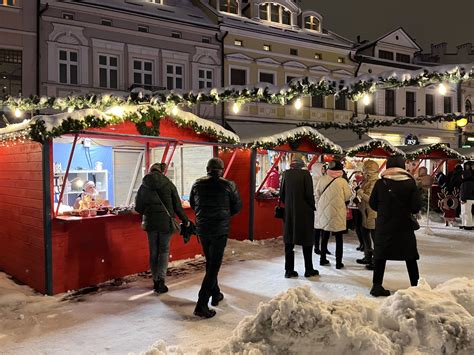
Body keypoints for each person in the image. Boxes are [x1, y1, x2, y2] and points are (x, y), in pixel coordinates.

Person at [190, 158, 242, 318]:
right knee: (214, 266)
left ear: (207, 169)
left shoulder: (197, 184)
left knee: (210, 262)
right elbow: (237, 206)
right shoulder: (228, 185)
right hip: (219, 229)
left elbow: (193, 204)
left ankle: (216, 294)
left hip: (203, 229)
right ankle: (201, 304)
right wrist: (224, 215)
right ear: (221, 169)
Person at [369, 156, 421, 297]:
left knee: (380, 255)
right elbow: (416, 207)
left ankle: (377, 285)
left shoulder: (381, 183)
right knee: (409, 255)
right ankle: (416, 286)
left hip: (384, 224)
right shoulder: (410, 183)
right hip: (404, 225)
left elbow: (372, 204)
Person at [135, 162, 189, 294]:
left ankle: (155, 280)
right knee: (163, 251)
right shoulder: (168, 184)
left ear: (150, 171)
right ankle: (161, 280)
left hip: (150, 224)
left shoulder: (143, 186)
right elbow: (177, 206)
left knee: (153, 252)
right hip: (165, 223)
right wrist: (185, 220)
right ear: (162, 171)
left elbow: (138, 208)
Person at [280, 154, 319, 279]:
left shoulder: (285, 174)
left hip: (290, 212)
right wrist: (313, 206)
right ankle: (309, 269)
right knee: (307, 241)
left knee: (289, 242)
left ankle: (289, 270)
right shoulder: (305, 175)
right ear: (302, 164)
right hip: (304, 213)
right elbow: (309, 194)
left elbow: (281, 195)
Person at [315, 160, 352, 269]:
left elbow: (317, 194)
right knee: (339, 237)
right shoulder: (342, 181)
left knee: (325, 235)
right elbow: (347, 196)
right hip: (338, 212)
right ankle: (338, 263)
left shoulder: (322, 179)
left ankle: (322, 259)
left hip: (324, 211)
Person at [355, 160, 379, 269]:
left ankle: (375, 261)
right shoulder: (367, 181)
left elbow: (370, 199)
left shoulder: (375, 182)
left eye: (364, 170)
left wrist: (359, 191)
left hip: (372, 213)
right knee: (365, 236)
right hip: (365, 213)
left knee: (374, 238)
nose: (363, 172)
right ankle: (368, 256)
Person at [311, 163, 330, 255]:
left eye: (324, 169)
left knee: (324, 227)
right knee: (317, 228)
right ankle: (317, 247)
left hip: (324, 205)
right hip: (316, 206)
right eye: (322, 169)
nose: (324, 170)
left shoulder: (324, 179)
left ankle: (323, 247)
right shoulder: (314, 180)